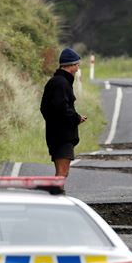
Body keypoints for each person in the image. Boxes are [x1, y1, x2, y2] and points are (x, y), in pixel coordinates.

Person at [40, 47, 87, 178]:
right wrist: (76, 119)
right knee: (62, 173)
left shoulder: (58, 82)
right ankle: (56, 196)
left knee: (62, 173)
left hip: (58, 135)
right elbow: (62, 109)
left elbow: (46, 108)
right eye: (77, 64)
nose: (78, 68)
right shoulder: (61, 83)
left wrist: (54, 122)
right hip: (61, 137)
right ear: (70, 65)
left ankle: (57, 195)